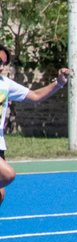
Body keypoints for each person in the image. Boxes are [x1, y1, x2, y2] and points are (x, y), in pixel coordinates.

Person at [0, 44, 71, 209]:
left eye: (4, 63)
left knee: (1, 194)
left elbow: (35, 96)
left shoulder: (5, 84)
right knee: (8, 175)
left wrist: (59, 83)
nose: (1, 66)